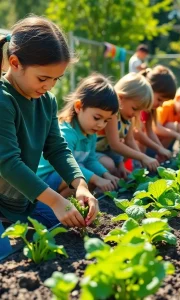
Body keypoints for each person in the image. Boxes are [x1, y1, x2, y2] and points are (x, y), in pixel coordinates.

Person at [0, 16, 98, 255]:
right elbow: (8, 163)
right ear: (14, 63)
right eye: (43, 78)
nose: (50, 86)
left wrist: (80, 185)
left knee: (65, 231)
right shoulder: (4, 100)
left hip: (21, 201)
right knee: (5, 257)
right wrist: (55, 201)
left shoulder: (46, 101)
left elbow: (56, 147)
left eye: (57, 78)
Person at [38, 73, 120, 197]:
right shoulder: (66, 134)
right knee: (81, 178)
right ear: (78, 107)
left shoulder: (90, 134)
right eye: (97, 118)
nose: (101, 125)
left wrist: (105, 174)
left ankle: (71, 206)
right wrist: (96, 179)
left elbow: (91, 160)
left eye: (106, 120)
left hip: (65, 179)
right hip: (45, 181)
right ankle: (54, 208)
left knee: (89, 177)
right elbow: (64, 167)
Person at [96, 73, 160, 178]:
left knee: (123, 159)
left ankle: (115, 177)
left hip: (108, 152)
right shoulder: (112, 114)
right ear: (120, 98)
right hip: (92, 152)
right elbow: (115, 145)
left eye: (140, 111)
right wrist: (142, 157)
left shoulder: (129, 118)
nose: (136, 114)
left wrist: (142, 160)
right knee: (109, 164)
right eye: (135, 109)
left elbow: (129, 141)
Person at [134, 65, 177, 161]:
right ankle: (137, 165)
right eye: (159, 99)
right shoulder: (136, 107)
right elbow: (137, 134)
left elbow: (150, 132)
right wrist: (159, 149)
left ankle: (141, 166)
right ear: (149, 88)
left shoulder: (150, 109)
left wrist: (161, 149)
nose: (161, 105)